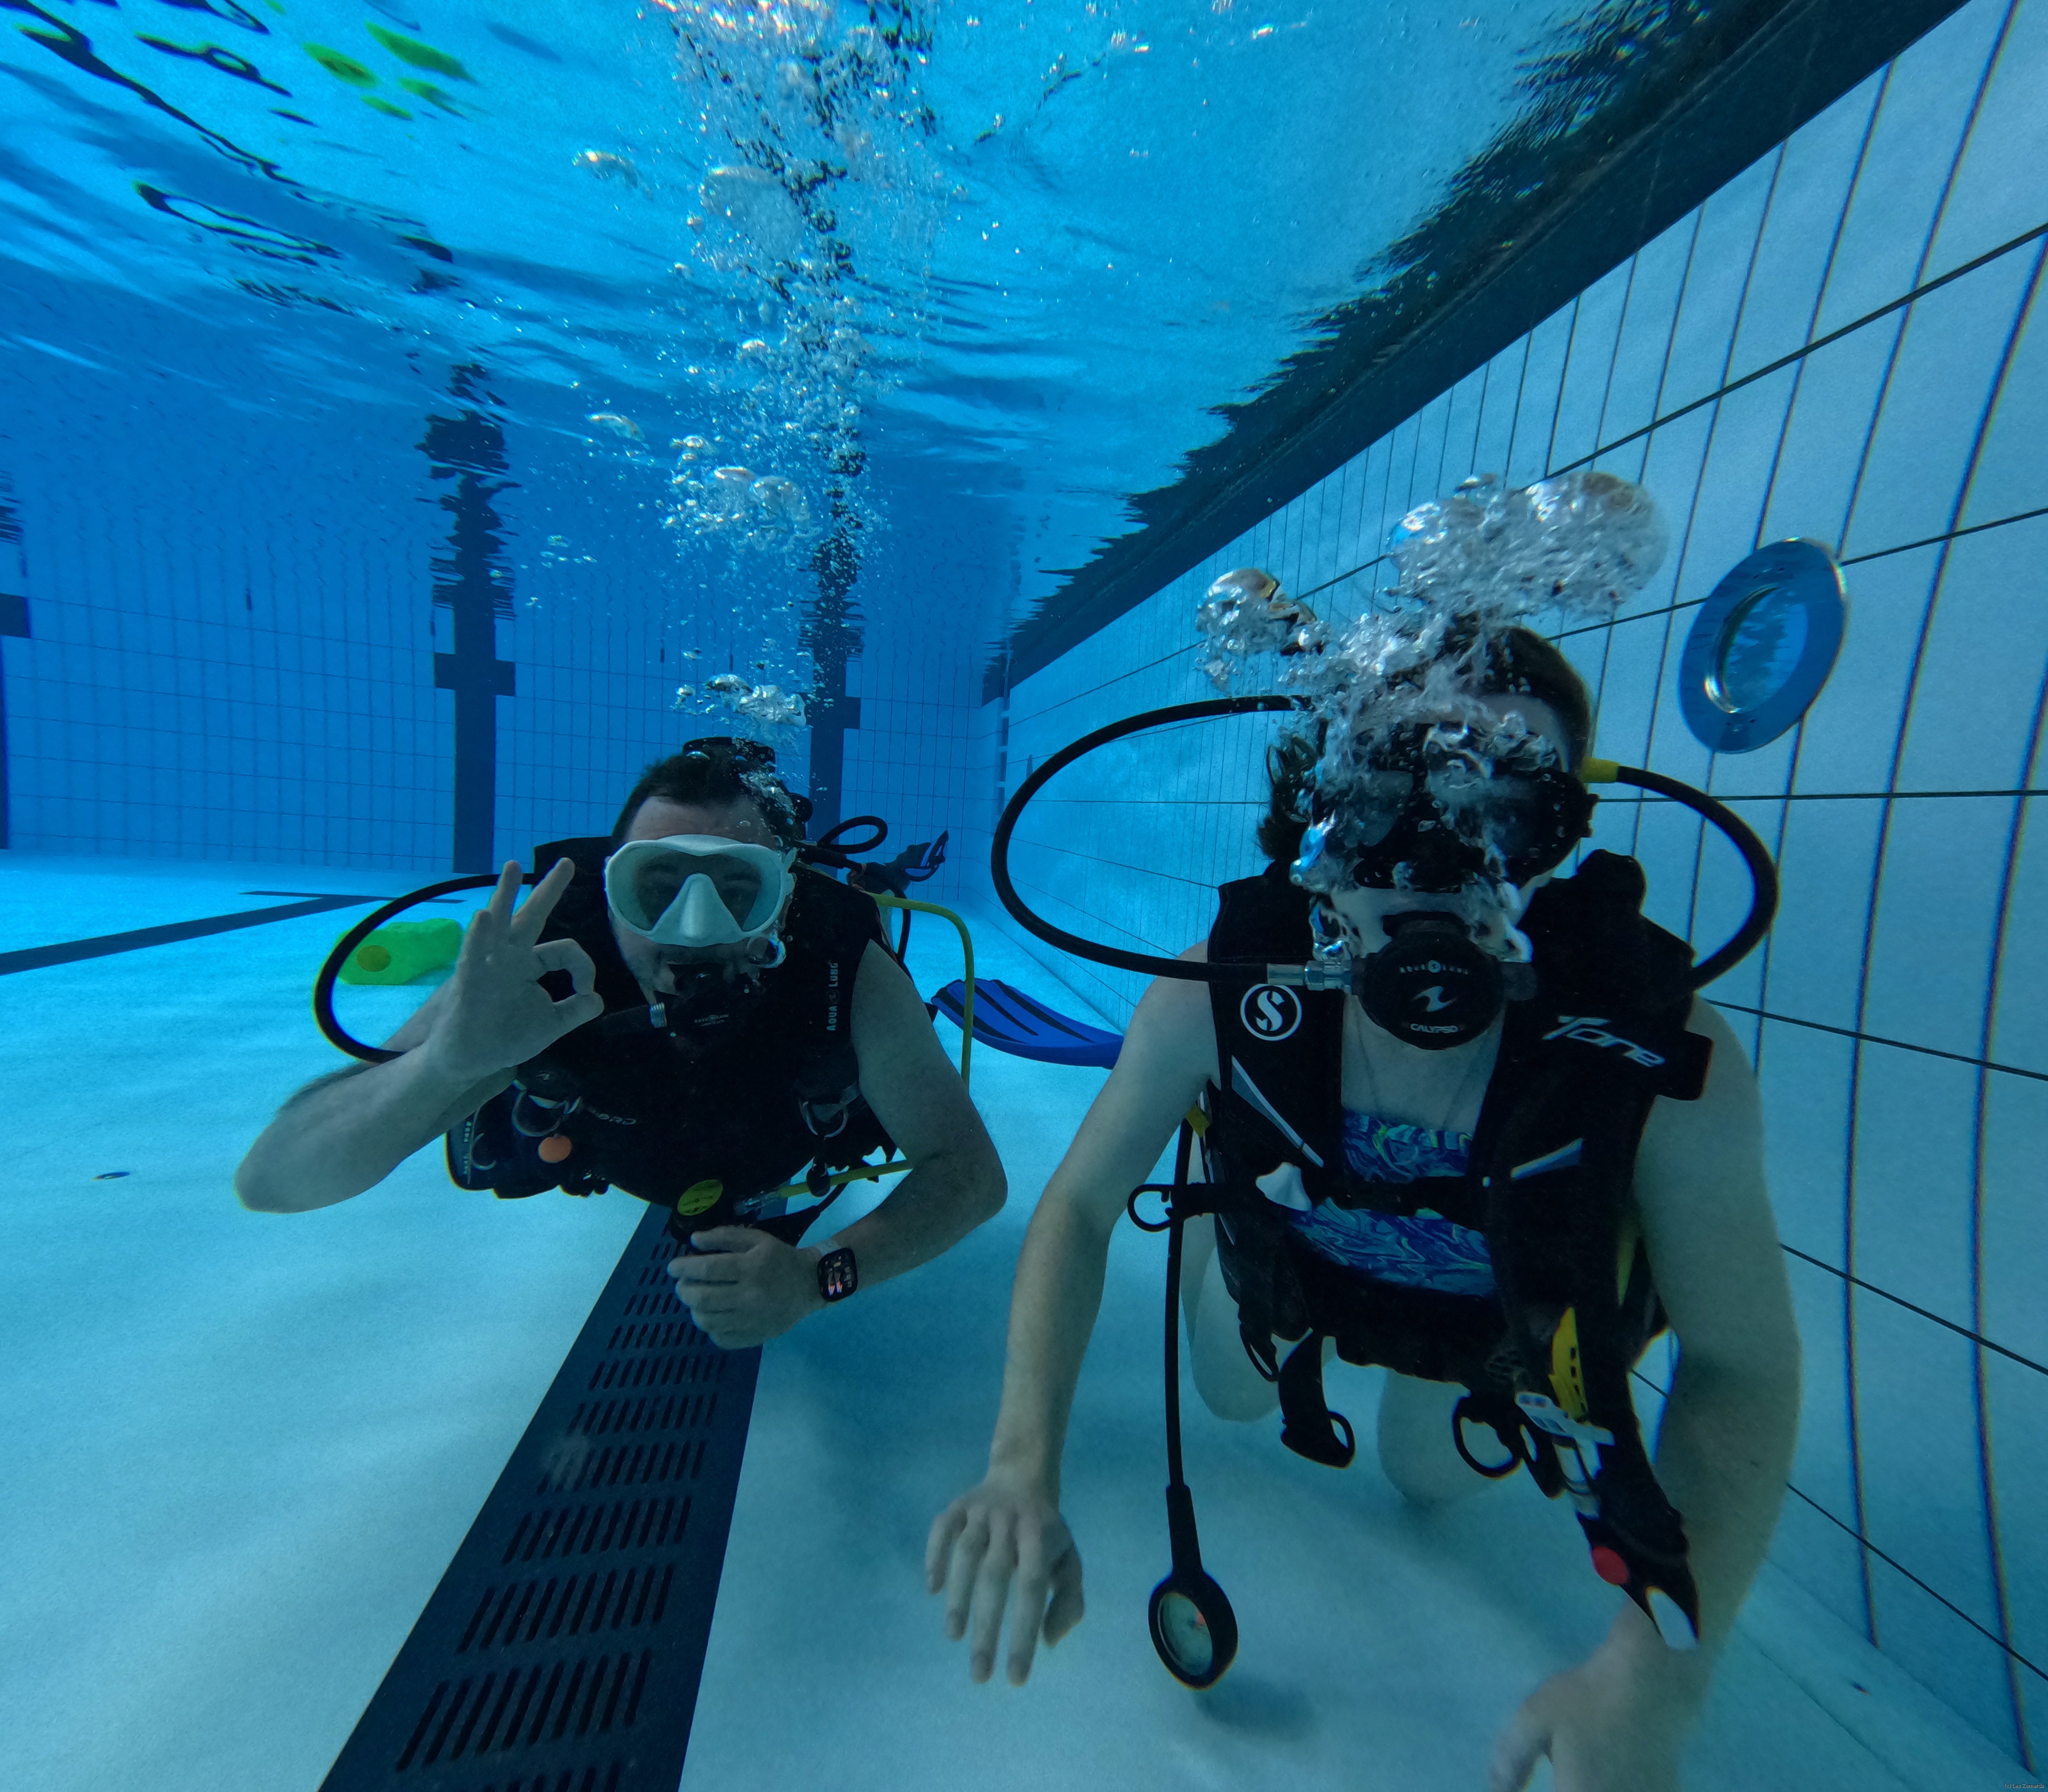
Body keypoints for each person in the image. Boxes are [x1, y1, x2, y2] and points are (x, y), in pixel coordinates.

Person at [927, 626, 1801, 1792]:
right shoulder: (1217, 993)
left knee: (1428, 1479)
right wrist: (1020, 1466)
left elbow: (1742, 1365)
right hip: (1291, 1274)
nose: (1435, 863)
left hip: (1493, 1335)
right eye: (1387, 801)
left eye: (1497, 807)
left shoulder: (1662, 1059)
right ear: (1320, 821)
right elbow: (1083, 1206)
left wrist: (1657, 1681)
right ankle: (1228, 1214)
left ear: (1560, 835)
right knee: (1234, 1392)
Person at [237, 736, 1005, 1347]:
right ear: (609, 889)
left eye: (739, 891)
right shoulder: (543, 965)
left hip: (786, 1142)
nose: (695, 930)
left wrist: (818, 1278)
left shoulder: (844, 969)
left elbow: (971, 1175)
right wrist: (442, 1068)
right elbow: (271, 1181)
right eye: (657, 888)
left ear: (784, 901)